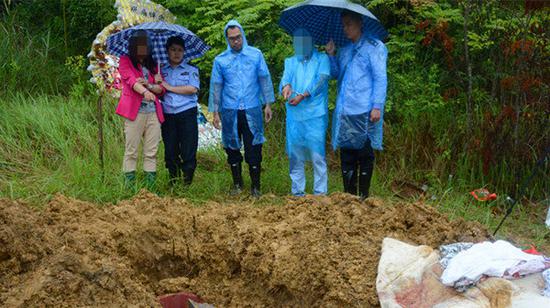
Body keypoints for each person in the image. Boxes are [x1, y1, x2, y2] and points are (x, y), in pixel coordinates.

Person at [208, 20, 275, 197]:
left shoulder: (255, 55)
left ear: (243, 35)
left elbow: (264, 78)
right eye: (232, 39)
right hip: (230, 110)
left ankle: (256, 187)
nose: (236, 41)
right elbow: (216, 86)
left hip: (252, 108)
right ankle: (237, 184)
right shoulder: (220, 60)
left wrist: (268, 104)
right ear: (227, 39)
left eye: (238, 37)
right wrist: (215, 112)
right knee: (231, 146)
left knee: (254, 146)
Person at [326, 10, 388, 199]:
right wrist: (331, 55)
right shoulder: (345, 50)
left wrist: (377, 106)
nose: (345, 29)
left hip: (365, 110)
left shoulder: (374, 47)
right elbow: (337, 74)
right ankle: (349, 196)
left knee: (364, 154)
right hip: (346, 111)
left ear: (360, 23)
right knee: (347, 155)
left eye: (349, 24)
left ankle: (364, 196)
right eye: (343, 24)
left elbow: (380, 78)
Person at [280, 28, 330, 196]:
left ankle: (320, 193)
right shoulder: (291, 61)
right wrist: (286, 87)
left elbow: (321, 80)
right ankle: (297, 193)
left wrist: (303, 95)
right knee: (295, 155)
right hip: (295, 116)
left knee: (317, 155)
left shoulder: (322, 59)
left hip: (315, 115)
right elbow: (285, 78)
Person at [116, 30, 165, 190]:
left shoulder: (154, 65)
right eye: (139, 45)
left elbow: (161, 90)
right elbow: (130, 81)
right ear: (133, 46)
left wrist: (154, 84)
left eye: (145, 45)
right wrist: (145, 91)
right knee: (131, 151)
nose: (143, 48)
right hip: (134, 112)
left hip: (153, 113)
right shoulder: (125, 61)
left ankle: (150, 190)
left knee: (151, 152)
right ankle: (129, 188)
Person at [159, 36, 200, 187]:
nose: (176, 53)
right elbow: (159, 91)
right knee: (170, 148)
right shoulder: (161, 71)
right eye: (173, 50)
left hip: (187, 112)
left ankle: (187, 182)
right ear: (167, 51)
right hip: (168, 114)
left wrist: (168, 87)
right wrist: (157, 84)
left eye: (180, 50)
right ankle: (173, 181)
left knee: (188, 148)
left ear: (184, 52)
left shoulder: (191, 70)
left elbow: (192, 89)